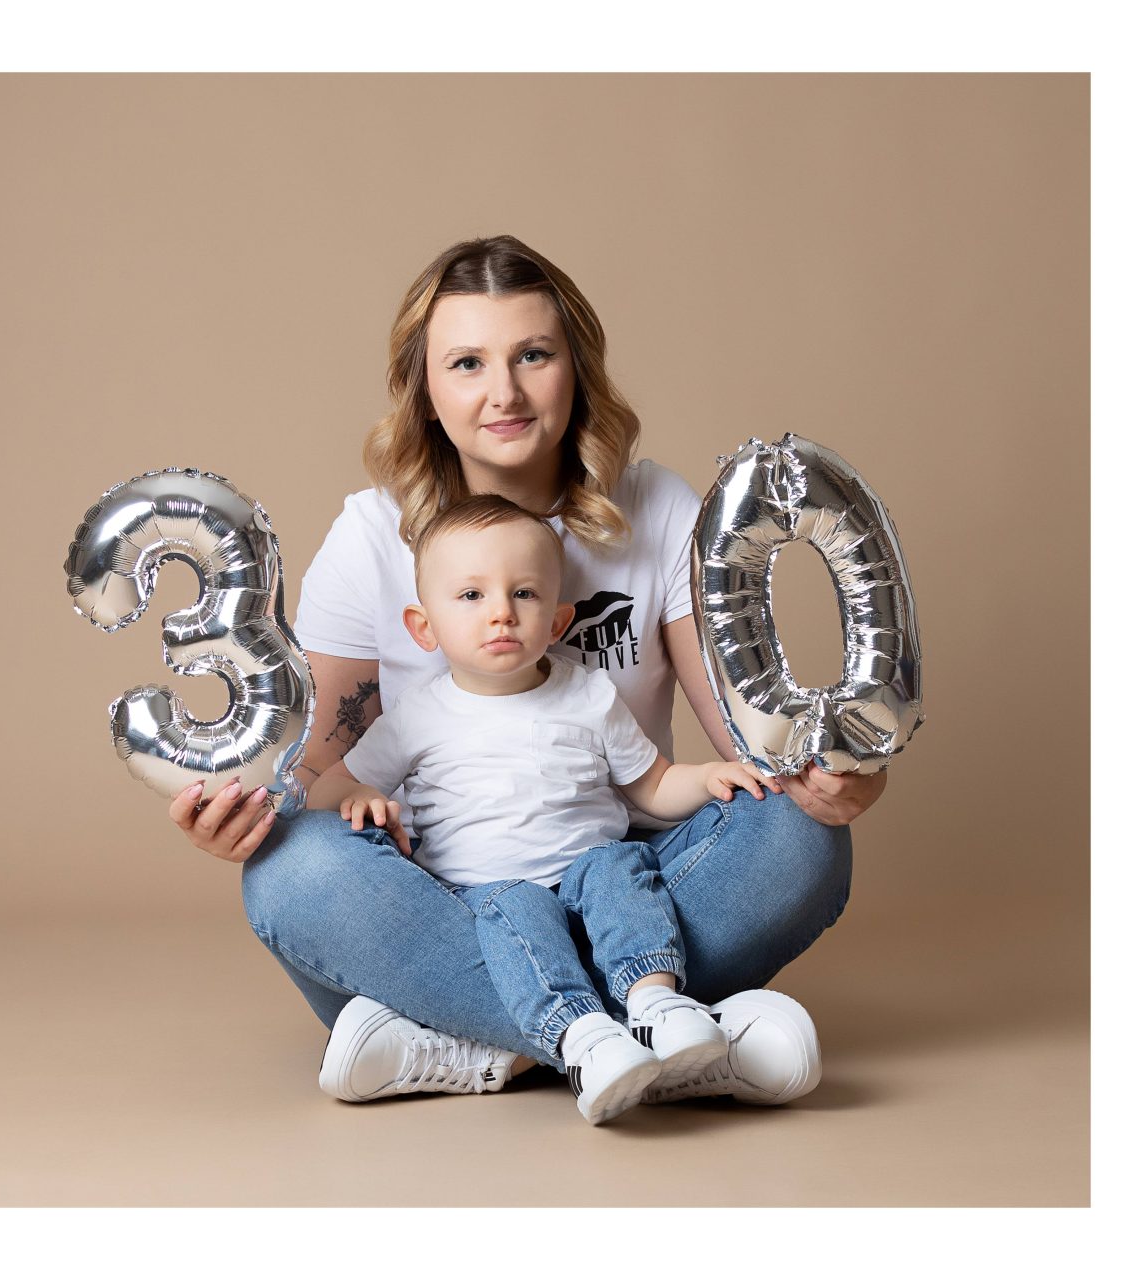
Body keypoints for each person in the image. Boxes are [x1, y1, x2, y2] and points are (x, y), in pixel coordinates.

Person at [169, 235, 883, 1107]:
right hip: (455, 898)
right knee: (294, 869)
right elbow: (309, 773)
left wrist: (832, 779)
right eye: (467, 362)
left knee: (799, 837)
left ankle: (475, 1048)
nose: (502, 392)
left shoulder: (654, 508)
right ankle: (667, 1041)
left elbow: (747, 743)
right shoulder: (370, 535)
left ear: (575, 368)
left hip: (616, 882)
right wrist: (241, 815)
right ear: (425, 390)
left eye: (532, 355)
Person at [305, 495, 777, 1123]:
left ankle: (658, 1007)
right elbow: (324, 787)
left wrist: (710, 777)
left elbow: (652, 786)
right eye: (471, 597)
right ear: (424, 627)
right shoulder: (417, 714)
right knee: (520, 905)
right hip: (483, 899)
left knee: (618, 866)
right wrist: (360, 794)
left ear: (556, 623)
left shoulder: (589, 696)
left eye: (523, 594)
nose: (501, 613)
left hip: (588, 888)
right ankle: (583, 1037)